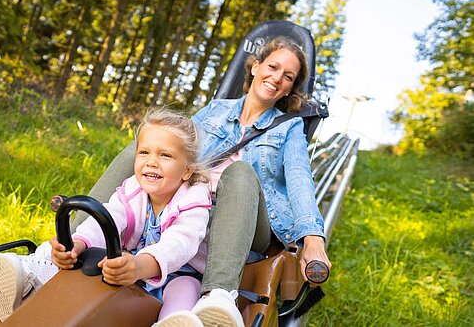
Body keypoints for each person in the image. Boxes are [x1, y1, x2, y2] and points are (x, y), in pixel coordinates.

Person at [79, 36, 332, 327]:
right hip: (189, 201)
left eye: (288, 76)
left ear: (291, 87)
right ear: (254, 67)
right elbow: (176, 147)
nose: (277, 78)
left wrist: (313, 240)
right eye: (273, 67)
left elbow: (300, 179)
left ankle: (218, 295)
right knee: (140, 147)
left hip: (245, 216)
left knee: (239, 173)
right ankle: (70, 243)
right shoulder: (215, 109)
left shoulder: (289, 127)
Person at [0, 108, 213, 325]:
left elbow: (179, 244)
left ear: (187, 171)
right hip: (129, 265)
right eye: (144, 152)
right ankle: (31, 277)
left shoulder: (194, 200)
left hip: (175, 272)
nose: (152, 162)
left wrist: (141, 265)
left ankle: (172, 322)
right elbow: (106, 219)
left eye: (165, 156)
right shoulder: (132, 190)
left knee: (186, 288)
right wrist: (77, 243)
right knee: (83, 257)